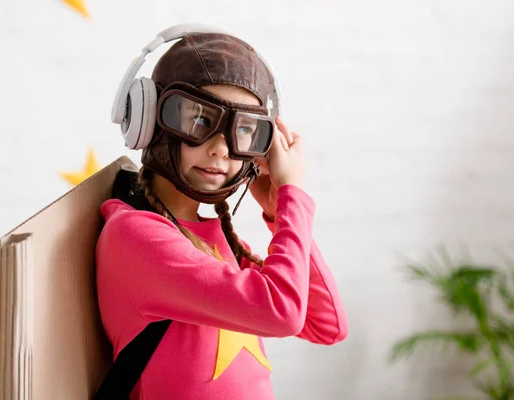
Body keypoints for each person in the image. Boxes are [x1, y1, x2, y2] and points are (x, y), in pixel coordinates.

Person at [95, 27, 348, 400]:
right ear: (149, 119)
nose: (221, 149)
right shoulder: (137, 236)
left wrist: (280, 212)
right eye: (199, 119)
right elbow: (284, 313)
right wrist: (294, 193)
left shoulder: (214, 239)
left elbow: (326, 325)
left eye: (243, 130)